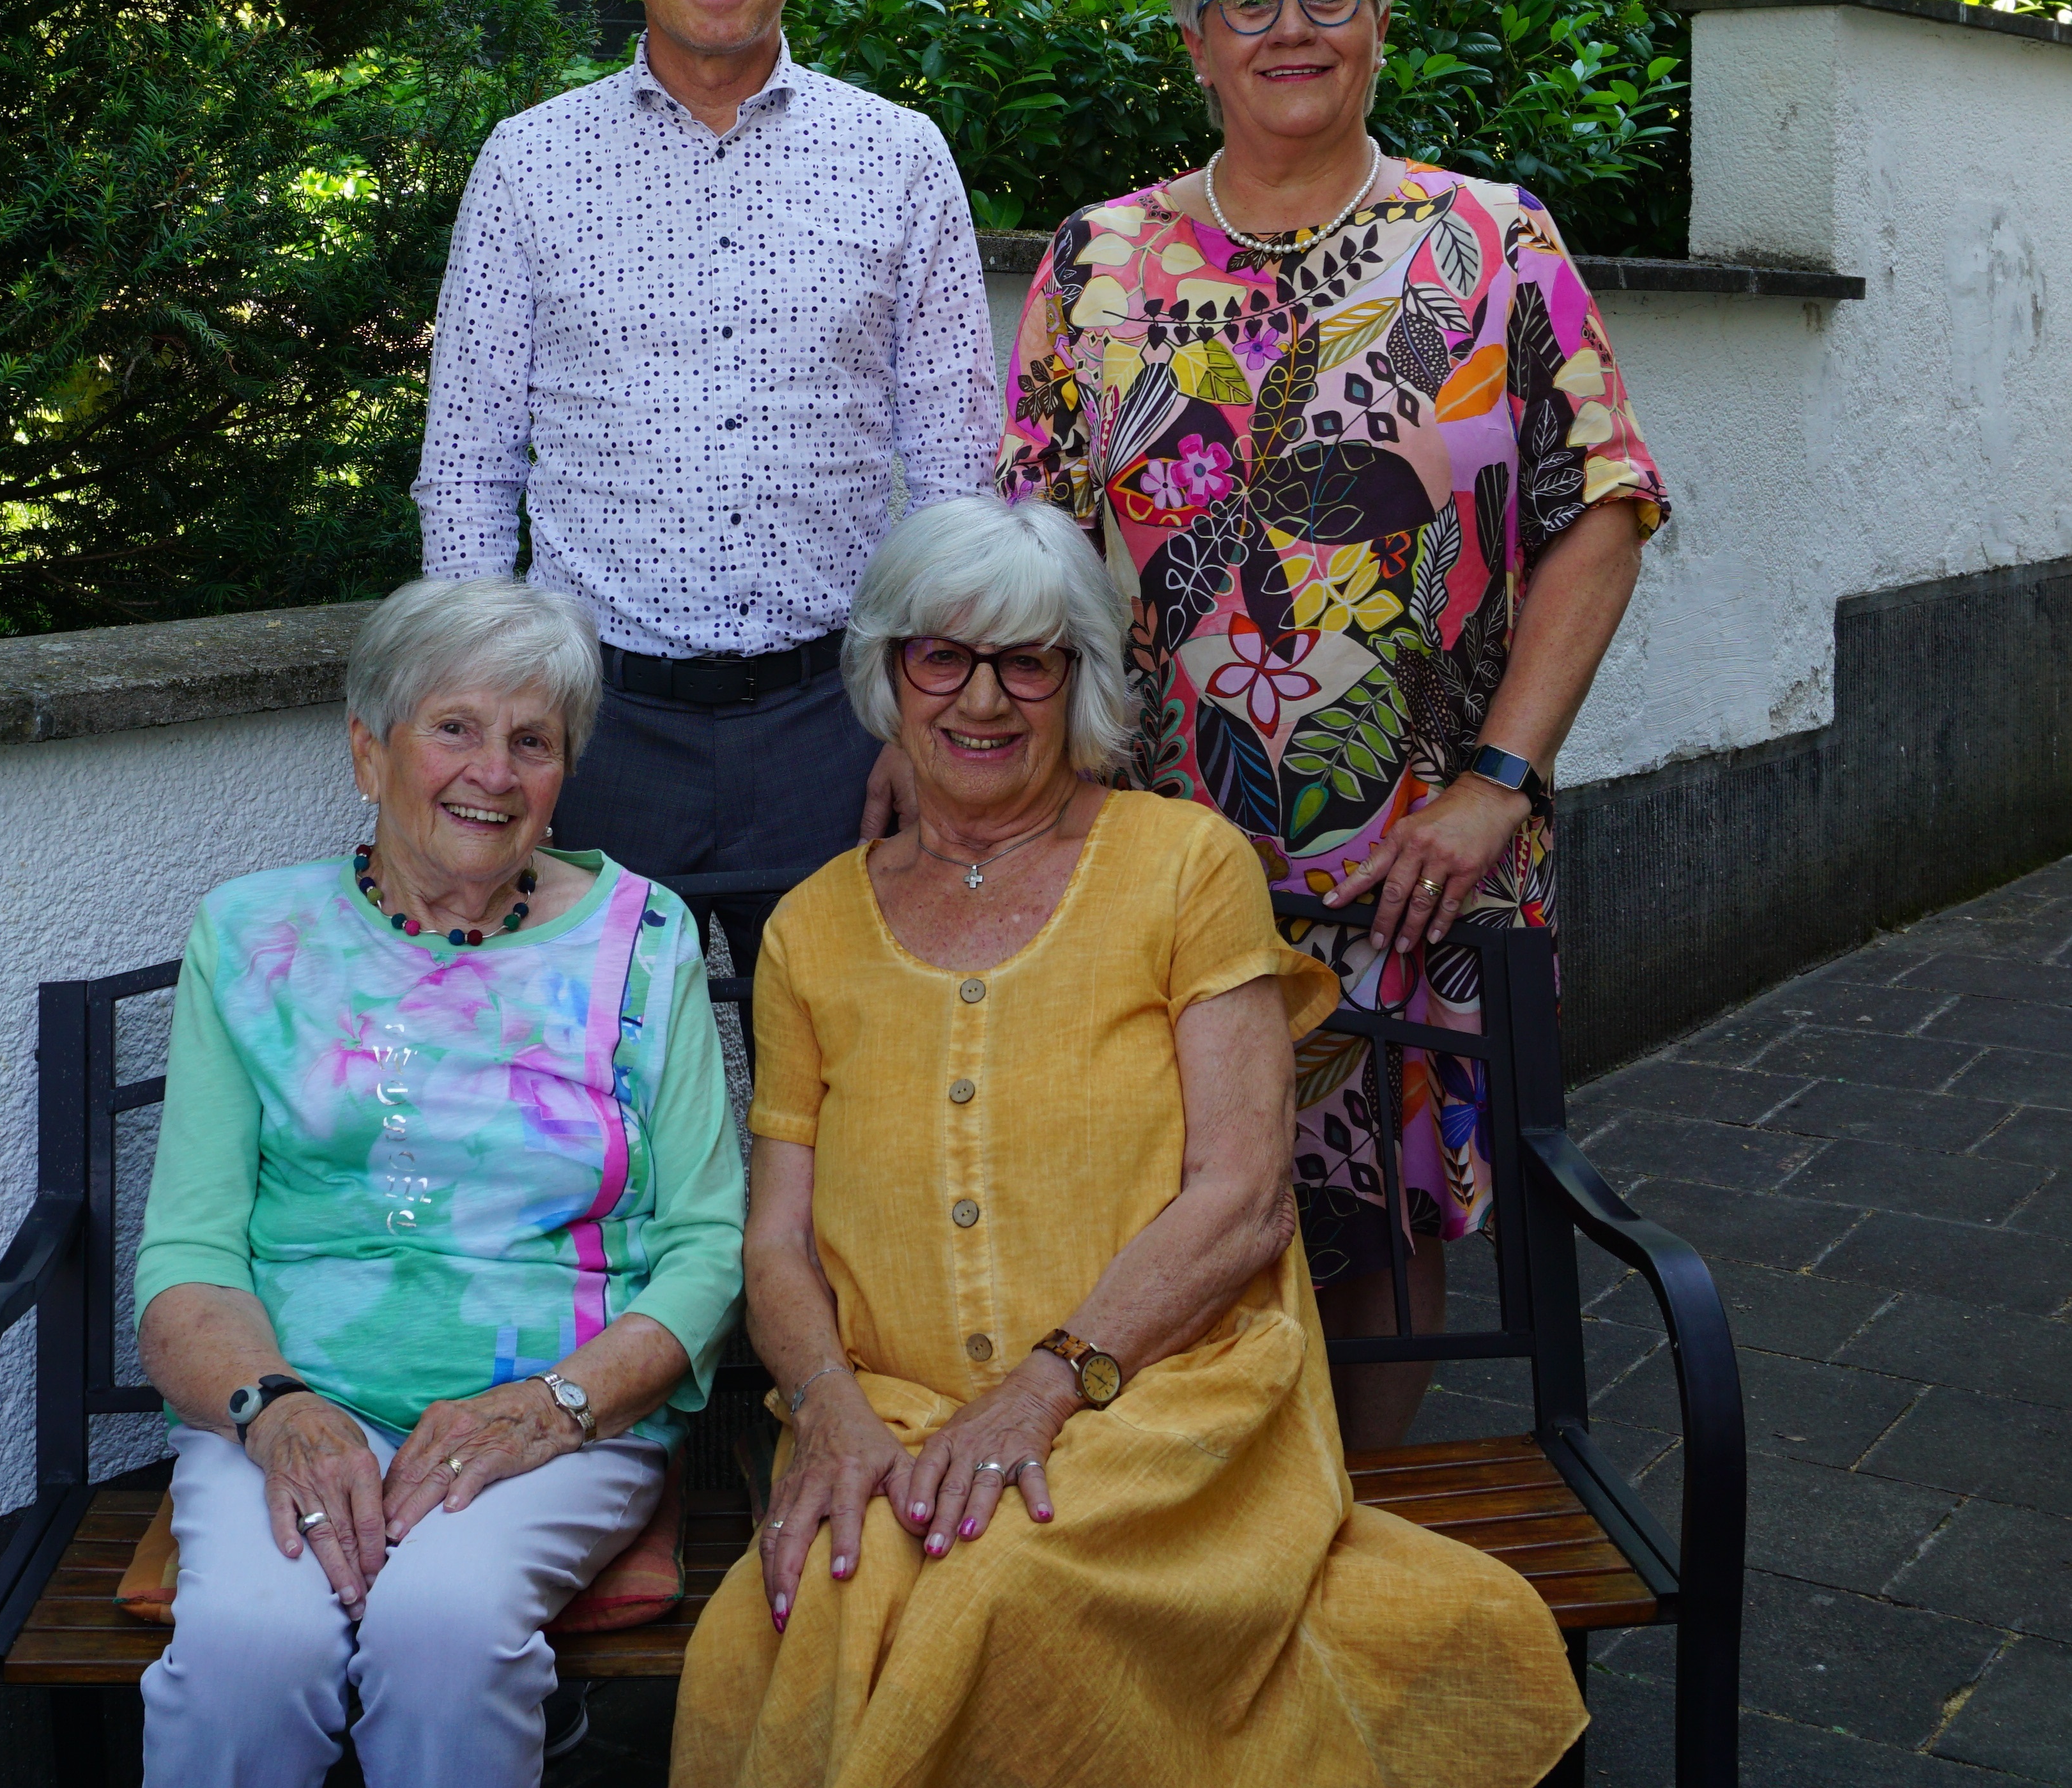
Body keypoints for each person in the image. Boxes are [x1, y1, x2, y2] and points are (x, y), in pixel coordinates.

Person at [672, 496, 1586, 1788]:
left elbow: (1245, 1196)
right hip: (891, 1410)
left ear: (1080, 683)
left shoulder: (1182, 866)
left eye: (1028, 658)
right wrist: (826, 1410)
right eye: (943, 653)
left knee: (1000, 1575)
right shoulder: (816, 924)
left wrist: (1046, 1388)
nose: (982, 697)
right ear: (887, 672)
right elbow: (774, 1235)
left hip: (1159, 1400)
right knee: (839, 1574)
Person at [995, 0, 1664, 1441]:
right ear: (1195, 34)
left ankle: (1345, 1547)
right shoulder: (1099, 264)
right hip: (1165, 856)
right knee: (1163, 1202)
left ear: (1377, 20)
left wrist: (1502, 776)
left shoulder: (1492, 242)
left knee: (1383, 1218)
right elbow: (1025, 550)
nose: (1291, 28)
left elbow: (1606, 506)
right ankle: (1201, 1543)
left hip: (1423, 852)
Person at [129, 576, 745, 1788]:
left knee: (446, 1627)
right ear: (369, 751)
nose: (493, 773)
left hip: (558, 1420)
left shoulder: (646, 936)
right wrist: (278, 1410)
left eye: (533, 741)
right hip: (295, 1404)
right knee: (252, 1643)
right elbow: (192, 1249)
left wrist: (557, 1408)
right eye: (453, 728)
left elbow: (710, 1243)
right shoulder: (251, 938)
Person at [417, 0, 995, 921]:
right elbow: (469, 471)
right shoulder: (529, 165)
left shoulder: (901, 158)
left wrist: (928, 728)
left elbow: (957, 482)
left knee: (850, 1085)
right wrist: (489, 732)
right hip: (593, 737)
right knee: (588, 1083)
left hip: (839, 734)